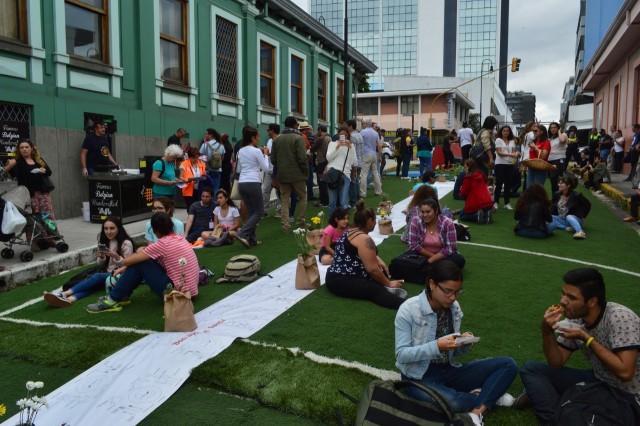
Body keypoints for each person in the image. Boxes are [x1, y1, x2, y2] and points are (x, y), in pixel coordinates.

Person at [395, 260, 518, 426]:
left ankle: (476, 412)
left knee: (508, 365)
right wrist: (437, 346)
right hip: (418, 378)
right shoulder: (408, 309)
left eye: (457, 292)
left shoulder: (454, 307)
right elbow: (402, 355)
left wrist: (462, 343)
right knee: (452, 402)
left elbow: (452, 351)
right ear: (432, 284)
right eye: (447, 291)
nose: (453, 297)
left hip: (448, 370)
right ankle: (487, 398)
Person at [517, 268, 640, 425]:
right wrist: (546, 332)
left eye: (571, 297)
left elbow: (626, 372)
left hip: (628, 394)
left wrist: (587, 339)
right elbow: (556, 362)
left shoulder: (620, 318)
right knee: (531, 369)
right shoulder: (576, 318)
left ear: (592, 301)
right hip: (599, 380)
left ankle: (557, 415)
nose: (563, 301)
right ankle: (564, 413)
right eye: (563, 294)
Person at [86, 212, 199, 313]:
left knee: (141, 263)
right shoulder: (179, 237)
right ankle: (121, 295)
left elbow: (126, 261)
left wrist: (115, 256)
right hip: (191, 291)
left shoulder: (162, 244)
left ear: (154, 230)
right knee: (143, 260)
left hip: (178, 295)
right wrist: (141, 251)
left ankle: (113, 299)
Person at [325, 200, 405, 309]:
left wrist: (379, 261)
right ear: (370, 220)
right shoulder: (365, 239)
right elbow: (372, 270)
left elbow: (363, 254)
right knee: (376, 289)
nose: (375, 223)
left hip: (333, 276)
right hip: (342, 280)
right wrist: (388, 284)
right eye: (374, 220)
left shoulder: (350, 231)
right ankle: (408, 306)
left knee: (382, 273)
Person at [43, 217, 133, 307]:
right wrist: (101, 258)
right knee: (93, 286)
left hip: (120, 276)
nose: (108, 232)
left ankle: (64, 294)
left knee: (97, 277)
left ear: (119, 228)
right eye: (106, 228)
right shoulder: (105, 241)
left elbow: (127, 266)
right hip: (107, 275)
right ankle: (70, 299)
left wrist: (116, 256)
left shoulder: (126, 243)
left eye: (112, 228)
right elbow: (101, 264)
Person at [4, 139, 57, 225]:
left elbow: (49, 172)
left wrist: (43, 169)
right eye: (22, 148)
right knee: (33, 217)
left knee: (48, 215)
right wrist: (8, 165)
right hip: (29, 195)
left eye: (26, 147)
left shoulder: (38, 160)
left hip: (43, 192)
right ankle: (35, 238)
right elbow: (13, 174)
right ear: (19, 150)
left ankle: (51, 236)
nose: (24, 149)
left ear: (31, 148)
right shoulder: (18, 162)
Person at [403, 199, 465, 269]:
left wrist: (431, 260)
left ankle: (425, 266)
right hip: (422, 254)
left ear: (436, 211)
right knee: (405, 257)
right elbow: (413, 245)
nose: (425, 215)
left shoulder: (447, 223)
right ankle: (438, 267)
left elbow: (450, 248)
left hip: (442, 255)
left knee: (459, 260)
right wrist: (432, 256)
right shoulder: (416, 220)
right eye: (422, 212)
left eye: (428, 212)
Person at [271, 117, 309, 233]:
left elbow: (273, 160)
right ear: (295, 125)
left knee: (284, 200)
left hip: (283, 175)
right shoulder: (299, 138)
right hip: (298, 174)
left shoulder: (277, 140)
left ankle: (286, 226)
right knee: (302, 197)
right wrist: (305, 171)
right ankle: (300, 222)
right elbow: (302, 158)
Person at [235, 125, 270, 247]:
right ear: (253, 138)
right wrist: (265, 154)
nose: (259, 138)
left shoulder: (240, 150)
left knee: (252, 212)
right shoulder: (256, 151)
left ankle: (252, 239)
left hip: (242, 183)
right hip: (253, 182)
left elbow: (239, 168)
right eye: (258, 136)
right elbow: (265, 168)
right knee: (259, 211)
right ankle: (242, 233)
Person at [325, 126, 358, 217]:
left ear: (348, 136)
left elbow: (353, 162)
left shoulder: (351, 146)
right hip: (333, 173)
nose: (343, 136)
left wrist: (350, 148)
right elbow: (328, 158)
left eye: (345, 135)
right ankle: (332, 222)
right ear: (338, 135)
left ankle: (344, 222)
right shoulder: (332, 144)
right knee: (332, 201)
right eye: (341, 134)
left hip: (345, 174)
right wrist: (337, 146)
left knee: (343, 202)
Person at [547, 175, 591, 240]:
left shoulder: (577, 195)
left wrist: (582, 216)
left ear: (568, 185)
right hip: (561, 219)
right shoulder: (557, 194)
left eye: (562, 183)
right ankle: (566, 228)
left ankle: (580, 231)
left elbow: (588, 205)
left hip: (574, 219)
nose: (559, 184)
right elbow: (552, 206)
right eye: (559, 183)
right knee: (548, 216)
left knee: (569, 217)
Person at [459, 159, 494, 225]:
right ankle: (486, 214)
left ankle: (477, 215)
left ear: (470, 167)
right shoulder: (481, 174)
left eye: (466, 167)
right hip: (488, 202)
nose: (464, 169)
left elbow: (463, 193)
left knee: (462, 216)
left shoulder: (468, 178)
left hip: (475, 203)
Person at [493, 125, 520, 210]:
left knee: (508, 184)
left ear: (510, 132)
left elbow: (513, 153)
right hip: (500, 164)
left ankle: (507, 202)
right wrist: (511, 154)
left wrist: (516, 154)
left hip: (510, 164)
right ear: (501, 132)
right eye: (504, 131)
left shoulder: (512, 141)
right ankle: (496, 202)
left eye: (507, 131)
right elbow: (499, 153)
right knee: (499, 184)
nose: (506, 132)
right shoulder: (498, 140)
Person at [359, 120, 383, 196]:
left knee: (364, 174)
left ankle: (363, 193)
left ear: (366, 124)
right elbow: (379, 145)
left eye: (363, 123)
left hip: (366, 154)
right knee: (375, 173)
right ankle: (378, 191)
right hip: (374, 154)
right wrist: (380, 155)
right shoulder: (375, 133)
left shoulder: (362, 132)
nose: (362, 124)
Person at [199, 128, 225, 196]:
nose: (205, 135)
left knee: (207, 189)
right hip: (218, 170)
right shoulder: (221, 145)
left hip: (207, 170)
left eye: (206, 134)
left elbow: (200, 157)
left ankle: (207, 203)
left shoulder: (205, 145)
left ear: (211, 135)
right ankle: (214, 203)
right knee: (216, 188)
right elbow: (222, 157)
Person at [310, 124, 331, 207]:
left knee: (321, 181)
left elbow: (312, 148)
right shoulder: (329, 137)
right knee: (325, 182)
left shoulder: (320, 139)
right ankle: (326, 199)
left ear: (319, 131)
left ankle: (324, 201)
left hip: (321, 162)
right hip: (328, 162)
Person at [262, 123, 280, 214]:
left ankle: (279, 210)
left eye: (268, 130)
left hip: (278, 170)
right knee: (265, 190)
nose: (267, 132)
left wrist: (268, 154)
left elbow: (280, 154)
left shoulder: (280, 140)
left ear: (272, 130)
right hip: (269, 170)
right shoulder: (269, 141)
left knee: (279, 191)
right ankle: (264, 210)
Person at [547, 122, 568, 194]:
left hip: (559, 159)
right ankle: (555, 198)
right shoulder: (551, 139)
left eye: (554, 127)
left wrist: (559, 131)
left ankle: (558, 197)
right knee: (552, 180)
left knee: (554, 178)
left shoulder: (563, 135)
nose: (552, 129)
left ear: (558, 128)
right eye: (551, 128)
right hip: (550, 160)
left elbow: (562, 140)